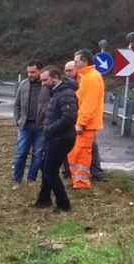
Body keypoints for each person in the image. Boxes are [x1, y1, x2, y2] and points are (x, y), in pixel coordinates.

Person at [34, 66, 78, 212]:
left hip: (61, 139)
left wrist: (50, 129)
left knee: (50, 172)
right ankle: (44, 199)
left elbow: (69, 118)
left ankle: (64, 205)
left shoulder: (66, 93)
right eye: (41, 80)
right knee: (46, 167)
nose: (43, 83)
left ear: (55, 78)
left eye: (45, 80)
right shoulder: (56, 92)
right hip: (55, 138)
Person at [67, 49, 105, 189]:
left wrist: (81, 123)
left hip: (85, 124)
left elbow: (88, 103)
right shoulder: (86, 77)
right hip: (81, 123)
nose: (74, 64)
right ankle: (77, 180)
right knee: (75, 152)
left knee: (81, 153)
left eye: (76, 61)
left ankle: (81, 183)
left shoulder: (91, 78)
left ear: (85, 61)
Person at [12, 60, 50, 188]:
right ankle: (17, 180)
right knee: (20, 153)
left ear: (41, 70)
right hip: (25, 125)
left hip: (41, 126)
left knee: (38, 154)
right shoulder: (23, 84)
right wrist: (17, 120)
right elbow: (16, 104)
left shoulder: (47, 86)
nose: (30, 74)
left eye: (33, 72)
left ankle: (31, 179)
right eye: (28, 72)